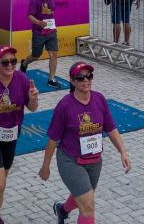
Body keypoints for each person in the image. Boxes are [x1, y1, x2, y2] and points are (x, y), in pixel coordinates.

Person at [40, 62, 131, 224]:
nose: (86, 80)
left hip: (94, 160)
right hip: (70, 160)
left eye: (89, 76)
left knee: (83, 196)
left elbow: (111, 128)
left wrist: (122, 152)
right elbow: (53, 138)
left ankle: (62, 210)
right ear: (72, 80)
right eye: (80, 77)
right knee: (88, 205)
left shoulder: (99, 99)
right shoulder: (64, 106)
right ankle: (63, 211)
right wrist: (46, 166)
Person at [0, 45, 41, 224]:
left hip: (11, 137)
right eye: (5, 62)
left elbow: (32, 108)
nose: (10, 65)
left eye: (13, 61)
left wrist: (34, 100)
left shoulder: (22, 79)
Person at [21, 0, 61, 87]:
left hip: (51, 31)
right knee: (35, 55)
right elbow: (29, 16)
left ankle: (51, 79)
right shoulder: (35, 1)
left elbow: (51, 12)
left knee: (53, 55)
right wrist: (39, 23)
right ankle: (24, 63)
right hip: (39, 33)